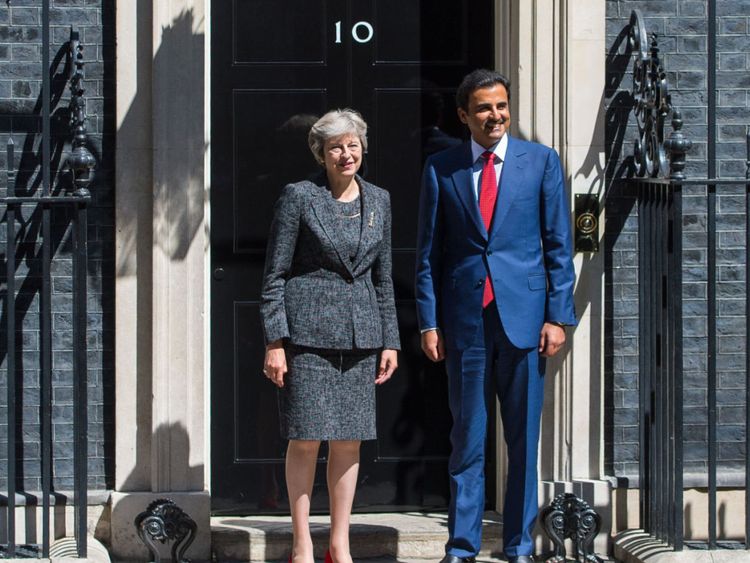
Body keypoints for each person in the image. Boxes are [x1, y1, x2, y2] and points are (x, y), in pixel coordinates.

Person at [415, 69, 577, 563]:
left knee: (522, 440)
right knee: (467, 437)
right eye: (484, 108)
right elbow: (428, 254)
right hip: (466, 321)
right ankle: (461, 547)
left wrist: (558, 316)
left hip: (526, 321)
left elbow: (558, 246)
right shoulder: (441, 168)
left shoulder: (541, 162)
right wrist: (429, 321)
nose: (495, 115)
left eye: (501, 106)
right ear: (464, 115)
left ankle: (519, 545)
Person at [260, 108, 400, 563]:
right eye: (336, 146)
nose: (346, 153)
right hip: (307, 337)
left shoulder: (379, 200)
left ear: (363, 148)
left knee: (349, 441)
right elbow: (275, 274)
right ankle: (301, 541)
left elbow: (384, 279)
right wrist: (275, 341)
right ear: (321, 153)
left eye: (353, 144)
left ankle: (339, 543)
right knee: (305, 439)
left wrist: (390, 340)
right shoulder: (299, 197)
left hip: (362, 337)